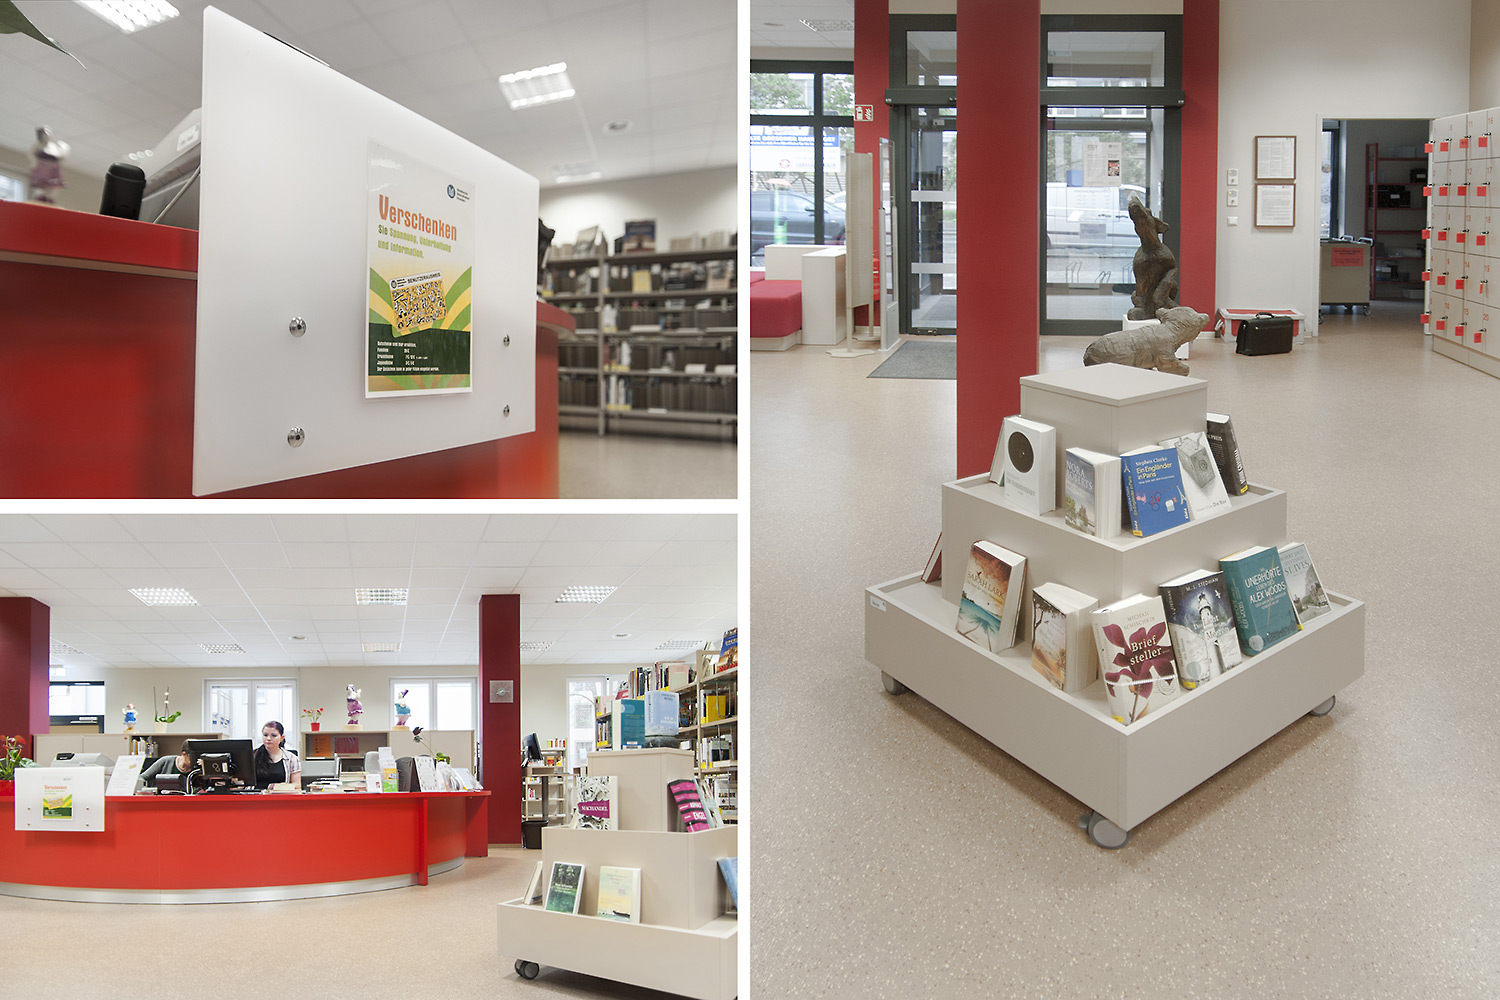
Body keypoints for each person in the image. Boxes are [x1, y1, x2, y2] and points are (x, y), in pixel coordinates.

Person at [252, 721, 301, 790]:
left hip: (281, 795)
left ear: (282, 738)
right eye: (265, 735)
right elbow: (244, 783)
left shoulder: (292, 758)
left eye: (273, 735)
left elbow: (297, 786)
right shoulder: (253, 756)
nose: (268, 738)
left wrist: (281, 786)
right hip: (256, 795)